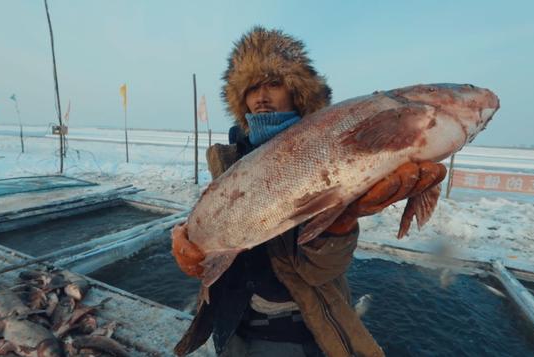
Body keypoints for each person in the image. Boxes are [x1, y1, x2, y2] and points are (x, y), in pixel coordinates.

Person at [172, 27, 445, 357]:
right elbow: (215, 226)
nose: (261, 96)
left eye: (274, 83)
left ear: (297, 91)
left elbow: (322, 271)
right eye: (252, 88)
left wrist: (340, 223)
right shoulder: (230, 157)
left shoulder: (333, 151)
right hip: (232, 325)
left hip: (296, 330)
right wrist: (184, 238)